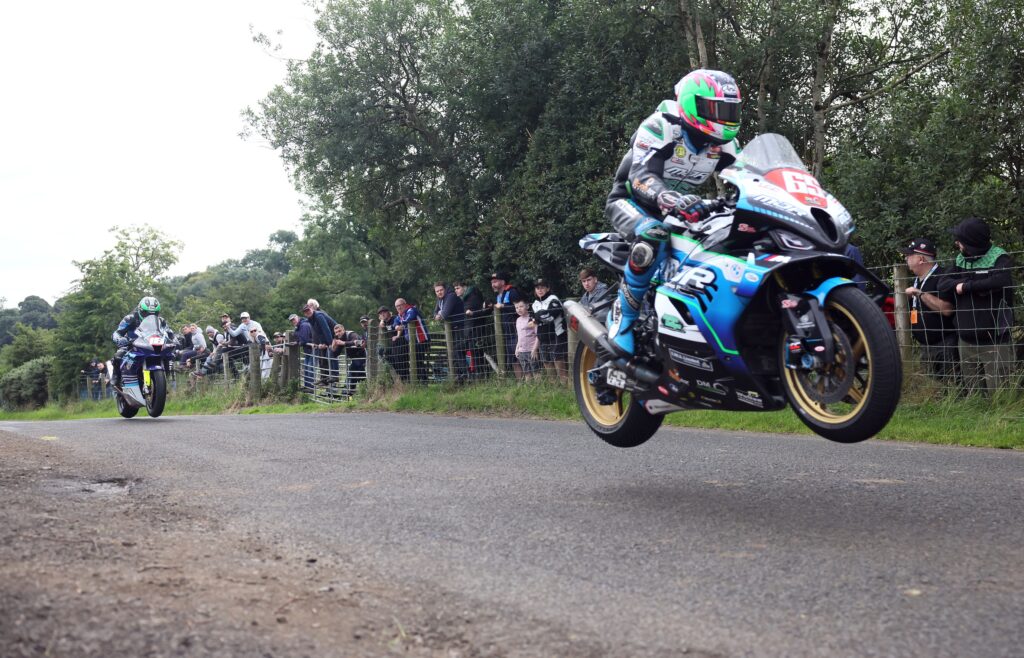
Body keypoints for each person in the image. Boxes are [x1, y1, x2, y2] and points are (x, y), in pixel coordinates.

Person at [604, 69, 742, 357]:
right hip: (632, 201)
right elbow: (639, 176)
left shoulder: (725, 144)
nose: (725, 118)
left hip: (681, 207)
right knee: (654, 234)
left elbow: (750, 179)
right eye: (717, 109)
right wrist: (668, 198)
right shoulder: (661, 126)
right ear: (693, 104)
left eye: (730, 110)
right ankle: (623, 317)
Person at [937, 217, 1015, 395]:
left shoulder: (999, 257)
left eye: (961, 240)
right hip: (966, 340)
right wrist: (973, 283)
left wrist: (965, 287)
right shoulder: (961, 260)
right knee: (973, 396)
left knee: (1000, 396)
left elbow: (1001, 280)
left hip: (994, 340)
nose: (957, 243)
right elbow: (942, 284)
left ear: (972, 242)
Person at [900, 237, 959, 385]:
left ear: (920, 259)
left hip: (944, 344)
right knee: (932, 389)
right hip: (925, 347)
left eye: (909, 255)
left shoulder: (942, 277)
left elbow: (947, 309)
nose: (906, 257)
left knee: (951, 387)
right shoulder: (917, 280)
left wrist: (920, 294)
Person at [111, 296, 172, 389]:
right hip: (132, 344)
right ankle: (116, 377)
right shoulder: (129, 319)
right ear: (140, 310)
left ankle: (164, 379)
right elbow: (117, 332)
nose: (149, 316)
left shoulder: (161, 321)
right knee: (118, 355)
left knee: (168, 354)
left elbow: (169, 332)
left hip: (152, 344)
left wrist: (175, 338)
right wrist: (119, 339)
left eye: (154, 313)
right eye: (145, 313)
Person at [531, 278, 567, 383]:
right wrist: (539, 317)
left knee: (559, 362)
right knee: (547, 363)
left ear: (548, 288)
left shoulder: (553, 299)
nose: (540, 290)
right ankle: (555, 389)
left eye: (542, 287)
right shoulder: (535, 304)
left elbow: (550, 317)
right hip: (542, 338)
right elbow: (531, 320)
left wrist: (537, 318)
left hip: (556, 336)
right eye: (537, 288)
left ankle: (565, 388)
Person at [486, 271, 521, 374]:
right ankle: (520, 383)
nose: (493, 284)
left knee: (520, 357)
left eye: (495, 281)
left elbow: (519, 309)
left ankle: (529, 381)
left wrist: (503, 307)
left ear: (503, 282)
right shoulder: (498, 296)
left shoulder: (512, 292)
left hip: (516, 331)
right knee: (513, 360)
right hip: (506, 332)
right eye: (492, 282)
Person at [433, 281, 467, 381]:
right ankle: (459, 376)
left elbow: (445, 314)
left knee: (458, 350)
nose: (439, 292)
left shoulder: (451, 296)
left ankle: (465, 374)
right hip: (451, 330)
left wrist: (440, 314)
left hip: (460, 328)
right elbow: (434, 313)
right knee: (453, 352)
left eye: (441, 290)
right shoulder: (440, 300)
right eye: (437, 291)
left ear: (445, 289)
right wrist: (438, 314)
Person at [394, 298, 431, 383]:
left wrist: (400, 325)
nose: (399, 308)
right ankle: (420, 381)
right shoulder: (400, 315)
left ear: (405, 304)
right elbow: (395, 322)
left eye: (400, 305)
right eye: (397, 306)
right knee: (415, 361)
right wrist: (396, 326)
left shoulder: (411, 310)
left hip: (422, 340)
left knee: (418, 361)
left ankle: (423, 382)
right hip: (413, 342)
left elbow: (408, 319)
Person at [454, 280, 486, 377]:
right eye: (455, 289)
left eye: (458, 288)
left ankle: (476, 376)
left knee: (476, 354)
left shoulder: (473, 296)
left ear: (465, 287)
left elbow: (481, 312)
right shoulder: (466, 298)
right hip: (469, 332)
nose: (456, 291)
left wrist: (473, 314)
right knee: (460, 349)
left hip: (476, 331)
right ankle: (468, 374)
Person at [330, 322, 367, 395]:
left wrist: (343, 343)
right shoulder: (339, 339)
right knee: (359, 375)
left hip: (361, 356)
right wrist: (333, 347)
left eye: (340, 331)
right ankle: (363, 390)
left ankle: (350, 391)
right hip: (354, 359)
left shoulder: (351, 334)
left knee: (352, 371)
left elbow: (357, 342)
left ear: (343, 330)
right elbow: (335, 354)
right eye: (336, 332)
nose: (338, 333)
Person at [513, 300, 540, 381]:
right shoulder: (518, 320)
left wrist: (535, 349)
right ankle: (529, 389)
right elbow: (519, 336)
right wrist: (517, 348)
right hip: (521, 351)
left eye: (521, 306)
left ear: (527, 306)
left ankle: (540, 388)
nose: (519, 309)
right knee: (526, 372)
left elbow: (538, 335)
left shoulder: (532, 319)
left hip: (531, 350)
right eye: (516, 307)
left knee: (536, 371)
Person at [288, 312, 314, 390]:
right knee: (306, 367)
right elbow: (300, 339)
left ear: (298, 318)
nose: (293, 321)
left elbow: (304, 340)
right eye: (291, 321)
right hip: (307, 350)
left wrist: (297, 343)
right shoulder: (298, 327)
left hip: (313, 349)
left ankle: (311, 388)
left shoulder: (304, 325)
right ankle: (307, 386)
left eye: (294, 319)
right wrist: (297, 342)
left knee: (310, 368)